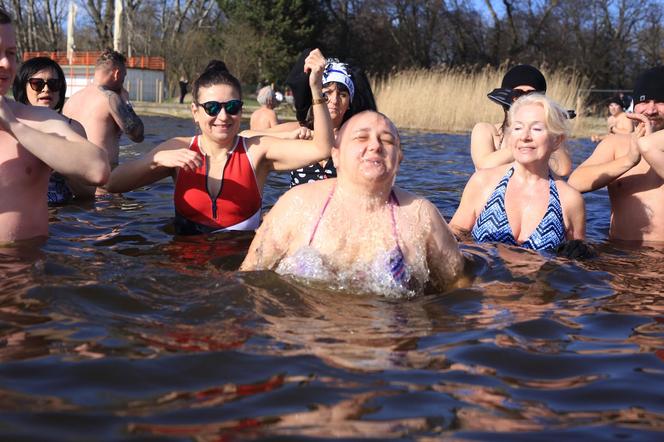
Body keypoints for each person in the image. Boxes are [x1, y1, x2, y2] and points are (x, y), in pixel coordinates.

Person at [105, 50, 334, 235]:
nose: (223, 117)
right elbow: (113, 184)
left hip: (237, 274)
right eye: (212, 108)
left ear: (241, 110)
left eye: (232, 107)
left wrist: (315, 88)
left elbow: (321, 148)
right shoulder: (179, 149)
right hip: (185, 276)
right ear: (195, 112)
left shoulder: (257, 150)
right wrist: (155, 161)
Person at [241, 110, 465, 296]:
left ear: (399, 158)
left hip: (391, 341)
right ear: (335, 155)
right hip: (307, 342)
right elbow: (249, 275)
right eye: (361, 138)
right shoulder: (297, 204)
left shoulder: (421, 215)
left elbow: (458, 285)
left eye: (387, 140)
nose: (375, 146)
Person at [0, 9, 109, 243]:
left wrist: (13, 126)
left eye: (10, 53)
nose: (6, 63)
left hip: (20, 266)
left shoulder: (38, 119)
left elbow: (97, 169)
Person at [450, 94, 585, 251]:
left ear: (556, 140)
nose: (525, 136)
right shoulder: (483, 182)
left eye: (536, 129)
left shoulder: (569, 199)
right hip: (484, 274)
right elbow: (454, 235)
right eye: (518, 128)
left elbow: (576, 265)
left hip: (542, 275)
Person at [568, 66, 664, 242]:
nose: (651, 110)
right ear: (635, 105)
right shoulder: (616, 143)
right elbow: (575, 183)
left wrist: (648, 145)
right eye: (644, 101)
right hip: (620, 257)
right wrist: (628, 160)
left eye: (660, 101)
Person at [12, 56, 96, 203]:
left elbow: (88, 193)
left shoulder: (73, 129)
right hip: (23, 213)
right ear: (22, 88)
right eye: (37, 84)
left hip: (63, 214)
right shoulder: (10, 126)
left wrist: (62, 161)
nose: (46, 89)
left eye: (53, 83)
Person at [472, 64, 572, 176]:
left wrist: (553, 125)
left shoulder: (545, 134)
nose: (524, 99)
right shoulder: (486, 130)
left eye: (531, 94)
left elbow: (563, 170)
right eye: (518, 93)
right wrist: (524, 145)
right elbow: (484, 166)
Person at [63, 48, 144, 170]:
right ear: (117, 74)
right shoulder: (111, 98)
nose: (123, 81)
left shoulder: (71, 100)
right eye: (124, 76)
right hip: (102, 175)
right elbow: (137, 135)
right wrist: (126, 102)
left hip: (74, 176)